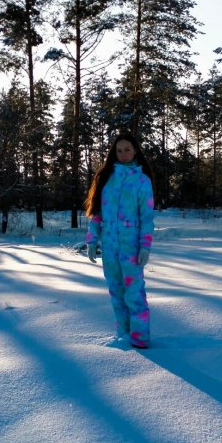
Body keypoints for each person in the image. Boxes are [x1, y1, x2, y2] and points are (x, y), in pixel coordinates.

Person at [85, 134, 154, 348]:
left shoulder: (142, 180)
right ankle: (123, 334)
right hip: (109, 246)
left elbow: (147, 217)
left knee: (134, 292)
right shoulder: (106, 177)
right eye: (119, 150)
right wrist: (92, 240)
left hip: (131, 246)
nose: (123, 154)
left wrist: (145, 246)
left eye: (127, 149)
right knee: (116, 292)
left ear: (135, 151)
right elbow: (97, 212)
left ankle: (140, 337)